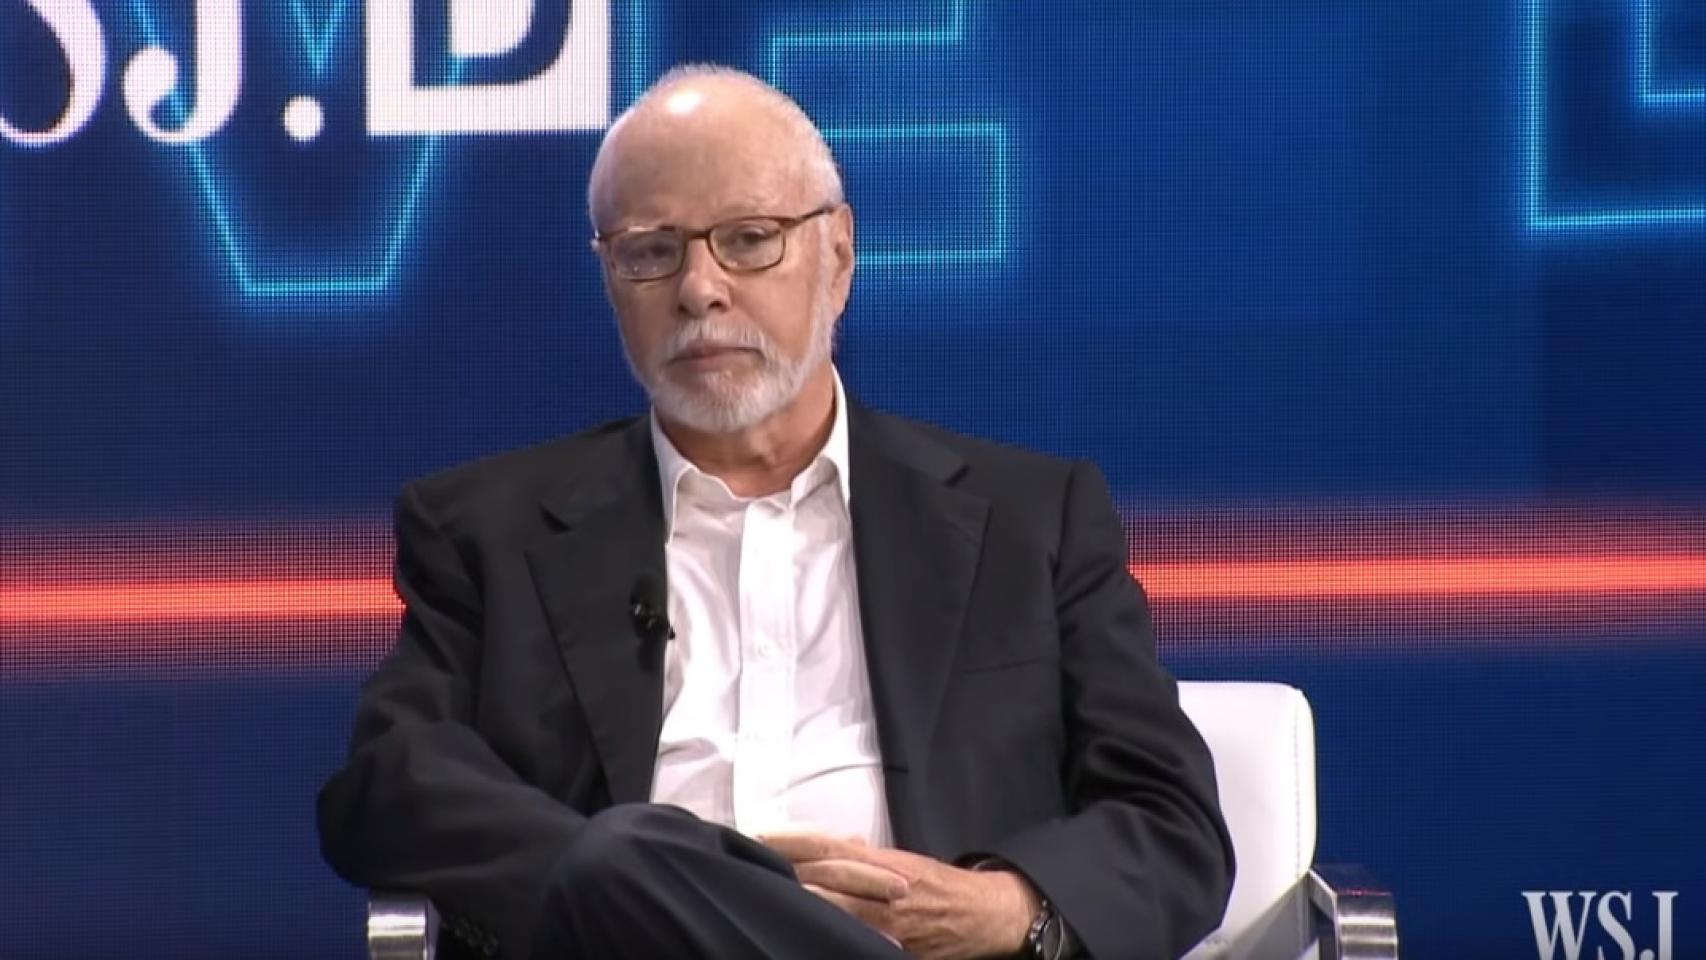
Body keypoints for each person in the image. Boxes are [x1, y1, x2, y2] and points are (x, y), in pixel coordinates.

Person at [317, 64, 1233, 960]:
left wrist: (1003, 910)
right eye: (651, 252)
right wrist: (612, 882)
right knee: (620, 850)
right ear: (610, 281)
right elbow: (389, 790)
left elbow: (1172, 824)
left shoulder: (1029, 521)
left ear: (838, 255)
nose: (699, 288)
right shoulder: (488, 532)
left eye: (749, 239)